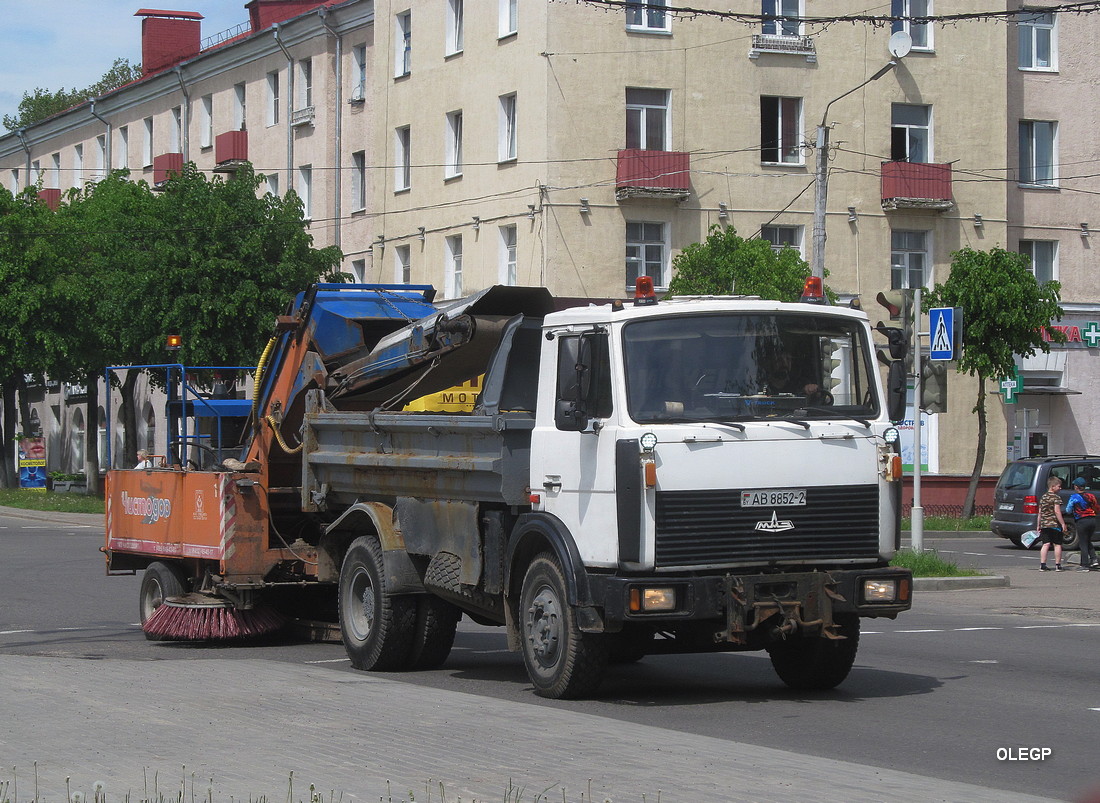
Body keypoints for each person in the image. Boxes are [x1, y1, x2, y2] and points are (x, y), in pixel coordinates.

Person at [1065, 477, 1100, 571]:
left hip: (1082, 520)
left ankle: (1084, 565)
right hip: (1092, 520)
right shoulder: (1091, 496)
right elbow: (1096, 508)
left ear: (1076, 487)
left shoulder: (1074, 497)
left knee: (1083, 543)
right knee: (1087, 540)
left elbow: (1068, 510)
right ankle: (1094, 559)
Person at [1036, 475, 1066, 571]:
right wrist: (1062, 523)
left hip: (1044, 524)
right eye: (1058, 486)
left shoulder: (1043, 497)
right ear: (1053, 487)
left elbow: (1039, 513)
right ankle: (1058, 565)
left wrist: (1038, 525)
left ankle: (1043, 564)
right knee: (1057, 544)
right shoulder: (1056, 498)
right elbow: (1057, 511)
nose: (1060, 488)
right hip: (1054, 525)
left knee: (1045, 544)